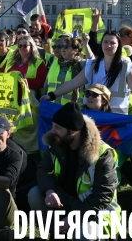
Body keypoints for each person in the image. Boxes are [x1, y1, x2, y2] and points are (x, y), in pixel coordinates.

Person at [29, 103, 120, 240]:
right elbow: (43, 168)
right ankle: (57, 232)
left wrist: (74, 218)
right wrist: (49, 191)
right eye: (53, 125)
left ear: (73, 132)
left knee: (85, 234)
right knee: (35, 194)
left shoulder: (102, 154)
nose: (53, 131)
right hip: (67, 201)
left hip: (96, 211)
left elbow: (103, 195)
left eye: (58, 128)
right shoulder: (57, 143)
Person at [42, 31, 132, 120]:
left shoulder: (127, 66)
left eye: (112, 43)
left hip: (116, 119)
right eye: (105, 42)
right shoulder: (92, 65)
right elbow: (73, 83)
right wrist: (51, 95)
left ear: (118, 46)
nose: (108, 45)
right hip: (93, 117)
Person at [44, 36, 85, 105]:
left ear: (75, 51)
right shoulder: (55, 63)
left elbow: (93, 60)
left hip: (71, 107)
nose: (63, 48)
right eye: (62, 46)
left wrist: (86, 44)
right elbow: (46, 84)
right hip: (51, 105)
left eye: (66, 46)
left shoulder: (81, 64)